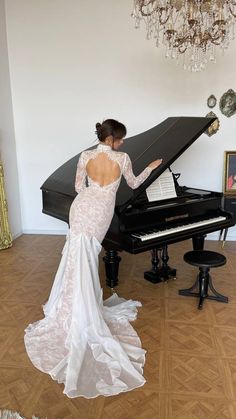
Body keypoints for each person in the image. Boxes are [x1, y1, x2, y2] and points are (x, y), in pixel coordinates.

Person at [24, 119, 162, 398]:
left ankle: (69, 306)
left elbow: (78, 187)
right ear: (111, 139)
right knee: (87, 257)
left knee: (76, 255)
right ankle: (82, 312)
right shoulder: (122, 158)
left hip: (81, 208)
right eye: (120, 139)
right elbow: (133, 183)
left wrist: (93, 193)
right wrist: (151, 167)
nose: (122, 143)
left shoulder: (85, 156)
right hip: (100, 213)